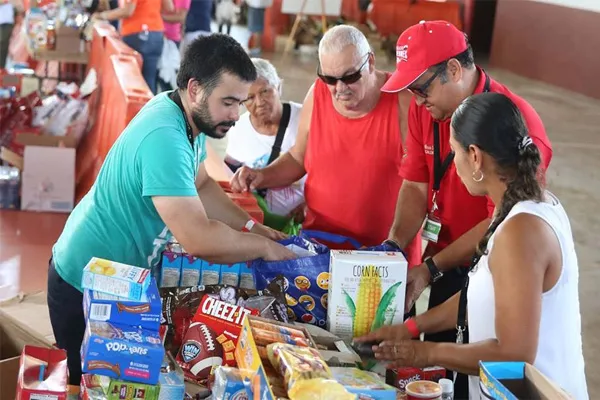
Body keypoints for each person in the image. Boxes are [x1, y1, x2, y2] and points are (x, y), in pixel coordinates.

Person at [47, 34, 295, 386]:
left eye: (239, 102)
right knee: (88, 386)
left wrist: (253, 228)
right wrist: (265, 248)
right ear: (194, 88)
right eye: (229, 102)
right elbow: (197, 238)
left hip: (120, 279)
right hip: (84, 282)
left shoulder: (190, 117)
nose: (237, 115)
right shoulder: (165, 136)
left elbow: (203, 185)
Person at [357, 92, 588, 400]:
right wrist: (412, 328)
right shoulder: (518, 207)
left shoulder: (520, 233)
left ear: (475, 156)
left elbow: (514, 354)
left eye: (455, 153)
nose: (455, 166)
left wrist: (425, 353)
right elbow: (482, 296)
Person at [380, 20, 553, 396]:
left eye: (421, 88)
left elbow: (509, 355)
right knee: (452, 382)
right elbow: (414, 183)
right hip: (451, 270)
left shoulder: (514, 129)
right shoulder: (426, 108)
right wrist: (394, 249)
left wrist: (422, 349)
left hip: (479, 269)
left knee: (466, 370)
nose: (417, 101)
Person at [230, 25, 422, 265]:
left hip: (381, 255)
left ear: (370, 62)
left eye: (350, 77)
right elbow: (299, 157)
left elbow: (419, 186)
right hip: (320, 249)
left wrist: (395, 244)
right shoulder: (318, 93)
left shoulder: (403, 101)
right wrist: (261, 176)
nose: (340, 89)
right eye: (330, 79)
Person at [225, 58, 305, 229]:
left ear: (279, 87)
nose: (259, 102)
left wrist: (310, 207)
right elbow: (230, 173)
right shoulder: (238, 128)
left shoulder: (305, 119)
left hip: (303, 222)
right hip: (261, 225)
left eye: (265, 92)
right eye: (249, 98)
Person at [93, 0, 174, 94]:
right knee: (149, 81)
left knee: (133, 82)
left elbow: (128, 11)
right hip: (155, 33)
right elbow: (169, 7)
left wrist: (102, 16)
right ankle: (151, 107)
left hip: (137, 33)